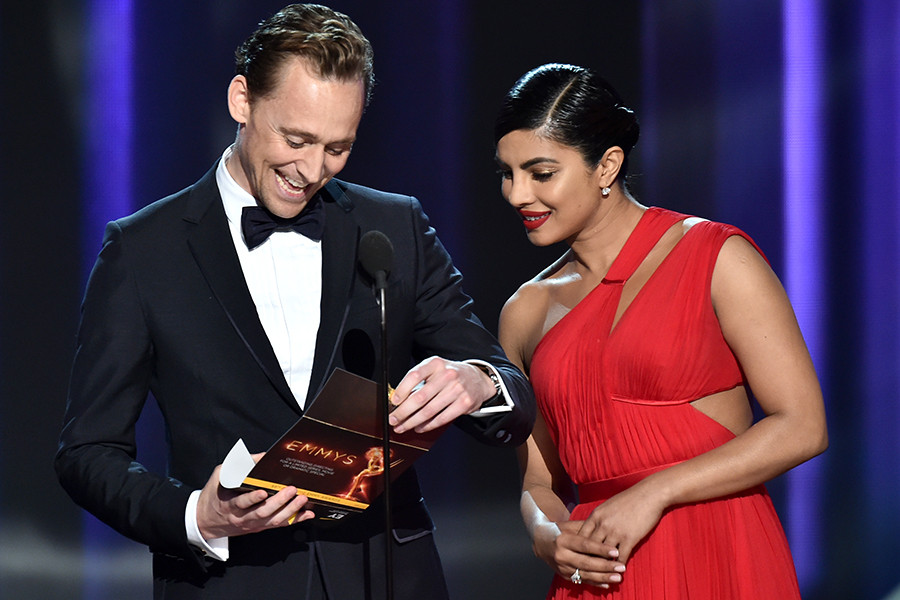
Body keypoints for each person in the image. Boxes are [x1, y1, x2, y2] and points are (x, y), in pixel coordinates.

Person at [55, 5, 535, 599]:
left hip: (386, 577)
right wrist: (195, 517)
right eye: (296, 138)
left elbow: (512, 395)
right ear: (241, 100)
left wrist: (478, 381)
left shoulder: (393, 228)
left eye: (338, 148)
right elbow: (87, 453)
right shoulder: (141, 251)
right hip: (234, 581)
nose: (311, 171)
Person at [494, 63, 827, 598]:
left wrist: (656, 492)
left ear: (606, 166)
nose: (516, 194)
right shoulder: (524, 312)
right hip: (600, 570)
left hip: (721, 551)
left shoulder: (716, 256)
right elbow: (540, 480)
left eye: (540, 172)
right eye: (506, 174)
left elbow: (803, 426)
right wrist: (545, 533)